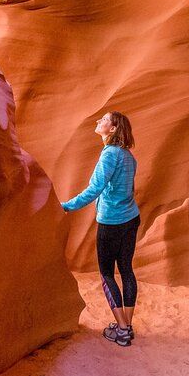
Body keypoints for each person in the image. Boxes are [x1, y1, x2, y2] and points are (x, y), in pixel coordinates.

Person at [61, 111, 140, 347]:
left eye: (104, 120)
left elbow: (94, 189)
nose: (98, 122)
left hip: (111, 222)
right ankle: (127, 324)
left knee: (106, 273)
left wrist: (67, 206)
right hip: (131, 218)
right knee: (126, 270)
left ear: (113, 129)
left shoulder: (109, 156)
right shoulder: (128, 156)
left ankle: (123, 329)